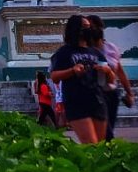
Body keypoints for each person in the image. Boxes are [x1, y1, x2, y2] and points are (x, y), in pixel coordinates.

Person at [49, 14, 115, 144]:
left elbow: (111, 80)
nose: (88, 30)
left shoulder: (96, 53)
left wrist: (108, 71)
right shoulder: (65, 52)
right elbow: (54, 77)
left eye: (89, 27)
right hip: (76, 102)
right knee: (91, 144)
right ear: (75, 29)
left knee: (101, 146)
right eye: (84, 27)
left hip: (97, 101)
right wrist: (72, 70)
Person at [88, 15, 134, 141]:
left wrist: (129, 93)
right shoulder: (85, 51)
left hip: (111, 94)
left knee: (109, 129)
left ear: (100, 28)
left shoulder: (111, 48)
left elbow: (120, 72)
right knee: (106, 133)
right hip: (94, 94)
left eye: (93, 26)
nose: (91, 30)